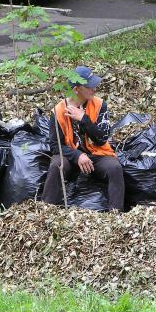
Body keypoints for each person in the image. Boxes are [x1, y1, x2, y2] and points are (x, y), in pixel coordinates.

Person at [42, 66, 125, 211]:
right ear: (76, 90)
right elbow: (56, 146)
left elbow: (102, 138)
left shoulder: (99, 105)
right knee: (57, 164)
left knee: (114, 168)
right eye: (90, 85)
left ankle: (116, 214)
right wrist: (78, 156)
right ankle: (46, 211)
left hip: (96, 155)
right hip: (71, 157)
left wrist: (84, 119)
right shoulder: (58, 111)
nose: (95, 88)